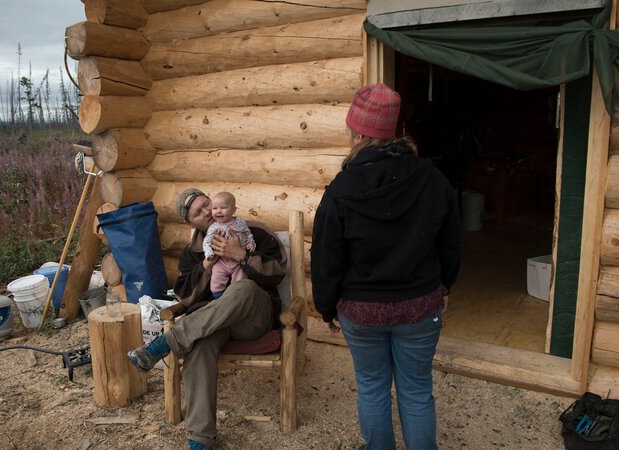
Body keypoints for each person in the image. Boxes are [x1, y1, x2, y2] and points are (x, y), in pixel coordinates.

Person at [311, 83, 461, 450]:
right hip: (419, 306)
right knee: (416, 390)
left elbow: (326, 256)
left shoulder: (341, 189)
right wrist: (445, 286)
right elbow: (451, 240)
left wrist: (326, 306)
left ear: (358, 131)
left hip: (361, 311)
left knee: (373, 386)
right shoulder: (431, 178)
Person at [128, 188, 286, 450]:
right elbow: (184, 296)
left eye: (206, 205)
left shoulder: (252, 230)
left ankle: (165, 343)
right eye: (198, 213)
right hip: (212, 323)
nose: (208, 214)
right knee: (198, 346)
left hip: (253, 318)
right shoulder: (192, 254)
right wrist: (207, 265)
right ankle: (200, 441)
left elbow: (279, 270)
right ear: (191, 224)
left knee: (242, 289)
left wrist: (241, 256)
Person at [203, 191, 257, 299]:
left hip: (238, 261)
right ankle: (218, 296)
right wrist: (209, 253)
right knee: (216, 278)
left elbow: (247, 233)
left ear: (233, 210)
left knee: (240, 279)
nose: (218, 211)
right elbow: (207, 241)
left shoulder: (240, 223)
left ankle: (235, 297)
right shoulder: (214, 227)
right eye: (215, 208)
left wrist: (251, 243)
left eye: (223, 208)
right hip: (221, 261)